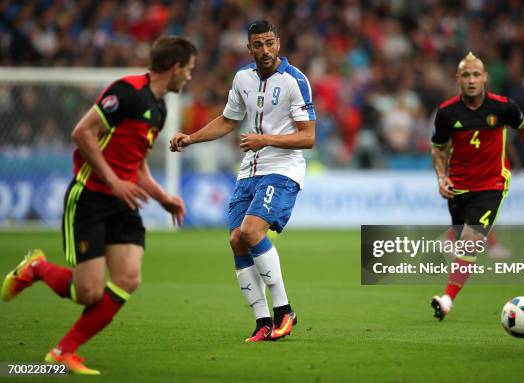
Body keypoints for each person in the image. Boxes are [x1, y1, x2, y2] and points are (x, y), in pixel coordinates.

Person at [1, 36, 196, 374]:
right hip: (90, 196)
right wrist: (113, 181)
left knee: (128, 278)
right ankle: (36, 269)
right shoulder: (127, 92)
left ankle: (64, 351)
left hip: (123, 202)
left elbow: (136, 165)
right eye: (189, 70)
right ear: (176, 67)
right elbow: (82, 133)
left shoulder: (160, 110)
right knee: (87, 293)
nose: (190, 78)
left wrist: (163, 197)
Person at [169, 20, 315, 342]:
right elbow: (227, 120)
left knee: (251, 231)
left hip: (282, 169)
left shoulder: (295, 81)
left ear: (278, 43)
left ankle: (284, 310)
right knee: (237, 240)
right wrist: (190, 138)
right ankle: (262, 321)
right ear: (249, 48)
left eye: (270, 43)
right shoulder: (242, 79)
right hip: (249, 170)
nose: (265, 50)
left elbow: (308, 138)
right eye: (258, 45)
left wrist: (265, 139)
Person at [429, 52, 524, 320]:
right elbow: (438, 148)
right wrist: (441, 176)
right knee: (461, 239)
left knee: (470, 241)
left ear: (485, 78)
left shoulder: (504, 107)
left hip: (491, 184)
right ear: (458, 78)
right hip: (458, 186)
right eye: (466, 75)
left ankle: (447, 299)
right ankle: (452, 239)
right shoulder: (447, 113)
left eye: (476, 75)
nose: (471, 80)